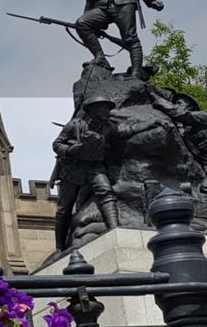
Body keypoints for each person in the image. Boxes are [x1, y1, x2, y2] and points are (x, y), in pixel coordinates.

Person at [50, 95, 164, 252]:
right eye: (103, 108)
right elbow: (57, 144)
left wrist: (151, 123)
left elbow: (127, 131)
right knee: (64, 208)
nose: (107, 111)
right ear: (93, 109)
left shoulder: (108, 127)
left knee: (106, 192)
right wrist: (70, 150)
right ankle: (59, 248)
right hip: (73, 169)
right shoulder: (74, 125)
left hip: (94, 167)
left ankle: (114, 228)